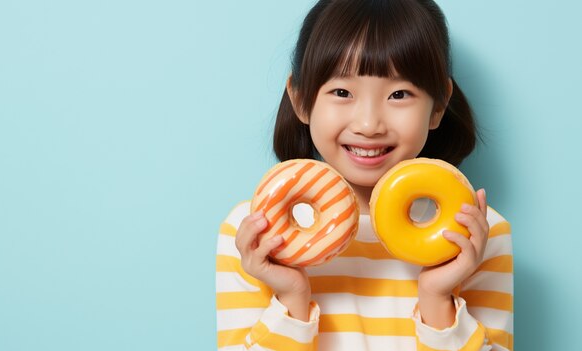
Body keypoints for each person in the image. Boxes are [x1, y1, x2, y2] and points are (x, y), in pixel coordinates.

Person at [215, 0, 513, 350]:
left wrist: (438, 299)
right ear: (301, 99)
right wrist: (291, 299)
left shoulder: (476, 234)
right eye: (342, 92)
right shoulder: (255, 234)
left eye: (399, 94)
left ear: (439, 106)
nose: (369, 125)